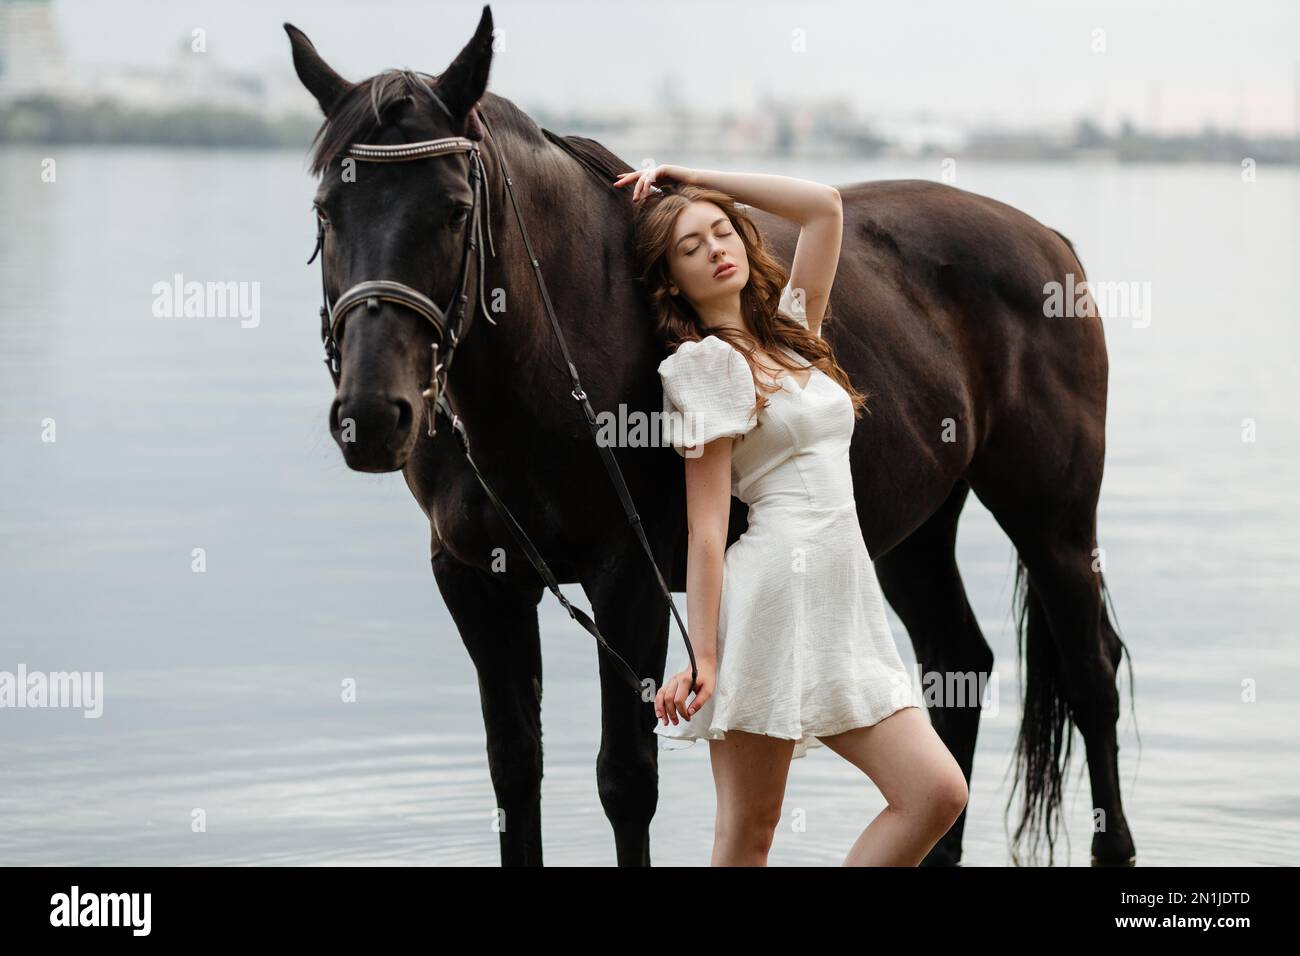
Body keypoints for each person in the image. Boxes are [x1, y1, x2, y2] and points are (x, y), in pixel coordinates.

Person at [613, 164, 969, 866]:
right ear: (671, 281)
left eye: (721, 231)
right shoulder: (703, 368)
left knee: (935, 792)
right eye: (691, 248)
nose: (716, 248)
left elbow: (824, 208)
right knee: (749, 834)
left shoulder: (792, 330)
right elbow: (709, 528)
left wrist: (695, 177)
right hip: (771, 599)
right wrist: (705, 653)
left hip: (846, 600)